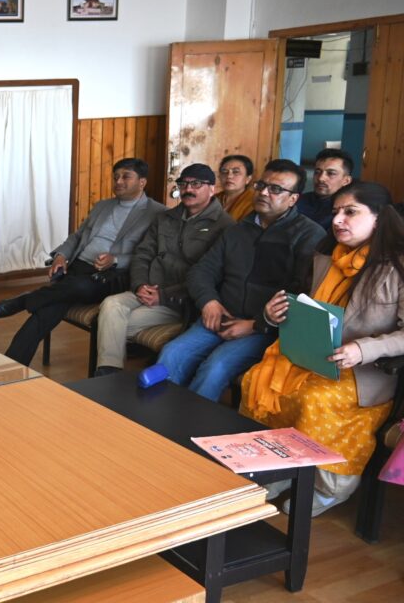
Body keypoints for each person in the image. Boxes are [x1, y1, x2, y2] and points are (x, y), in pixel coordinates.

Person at [241, 182, 404, 516]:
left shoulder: (397, 266)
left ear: (379, 218)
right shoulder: (325, 258)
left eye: (350, 212)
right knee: (259, 378)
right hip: (315, 358)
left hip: (361, 373)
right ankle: (282, 470)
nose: (338, 220)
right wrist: (274, 314)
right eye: (335, 212)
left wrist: (363, 349)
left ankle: (331, 486)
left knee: (315, 401)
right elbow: (305, 308)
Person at [155, 159, 325, 401]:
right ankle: (154, 422)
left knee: (215, 367)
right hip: (219, 315)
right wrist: (209, 302)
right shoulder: (237, 230)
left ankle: (186, 432)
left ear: (293, 199)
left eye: (276, 189)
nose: (264, 193)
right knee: (172, 354)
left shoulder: (308, 235)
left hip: (264, 330)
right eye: (261, 185)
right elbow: (201, 271)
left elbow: (301, 295)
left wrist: (256, 324)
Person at [0, 158, 165, 366]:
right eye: (116, 177)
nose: (118, 181)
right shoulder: (103, 206)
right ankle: (14, 364)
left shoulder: (157, 213)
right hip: (78, 267)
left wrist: (115, 259)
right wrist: (62, 256)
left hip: (111, 275)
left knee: (73, 288)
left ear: (142, 182)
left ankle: (24, 301)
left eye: (126, 177)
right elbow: (77, 237)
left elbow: (149, 255)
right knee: (50, 307)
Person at [94, 164, 234, 376]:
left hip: (179, 302)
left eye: (196, 184)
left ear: (212, 189)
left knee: (110, 324)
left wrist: (163, 296)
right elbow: (142, 254)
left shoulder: (225, 226)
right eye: (183, 184)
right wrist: (140, 285)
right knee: (111, 304)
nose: (188, 189)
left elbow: (208, 276)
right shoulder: (166, 218)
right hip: (147, 289)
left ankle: (108, 378)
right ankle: (109, 377)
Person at [296, 148, 354, 229]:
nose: (321, 178)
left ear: (346, 180)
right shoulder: (297, 200)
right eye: (317, 172)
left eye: (331, 173)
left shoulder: (348, 212)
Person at [216, 154, 256, 221]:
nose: (229, 176)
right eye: (224, 171)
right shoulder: (213, 199)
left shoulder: (254, 202)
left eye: (236, 172)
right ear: (219, 176)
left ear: (248, 179)